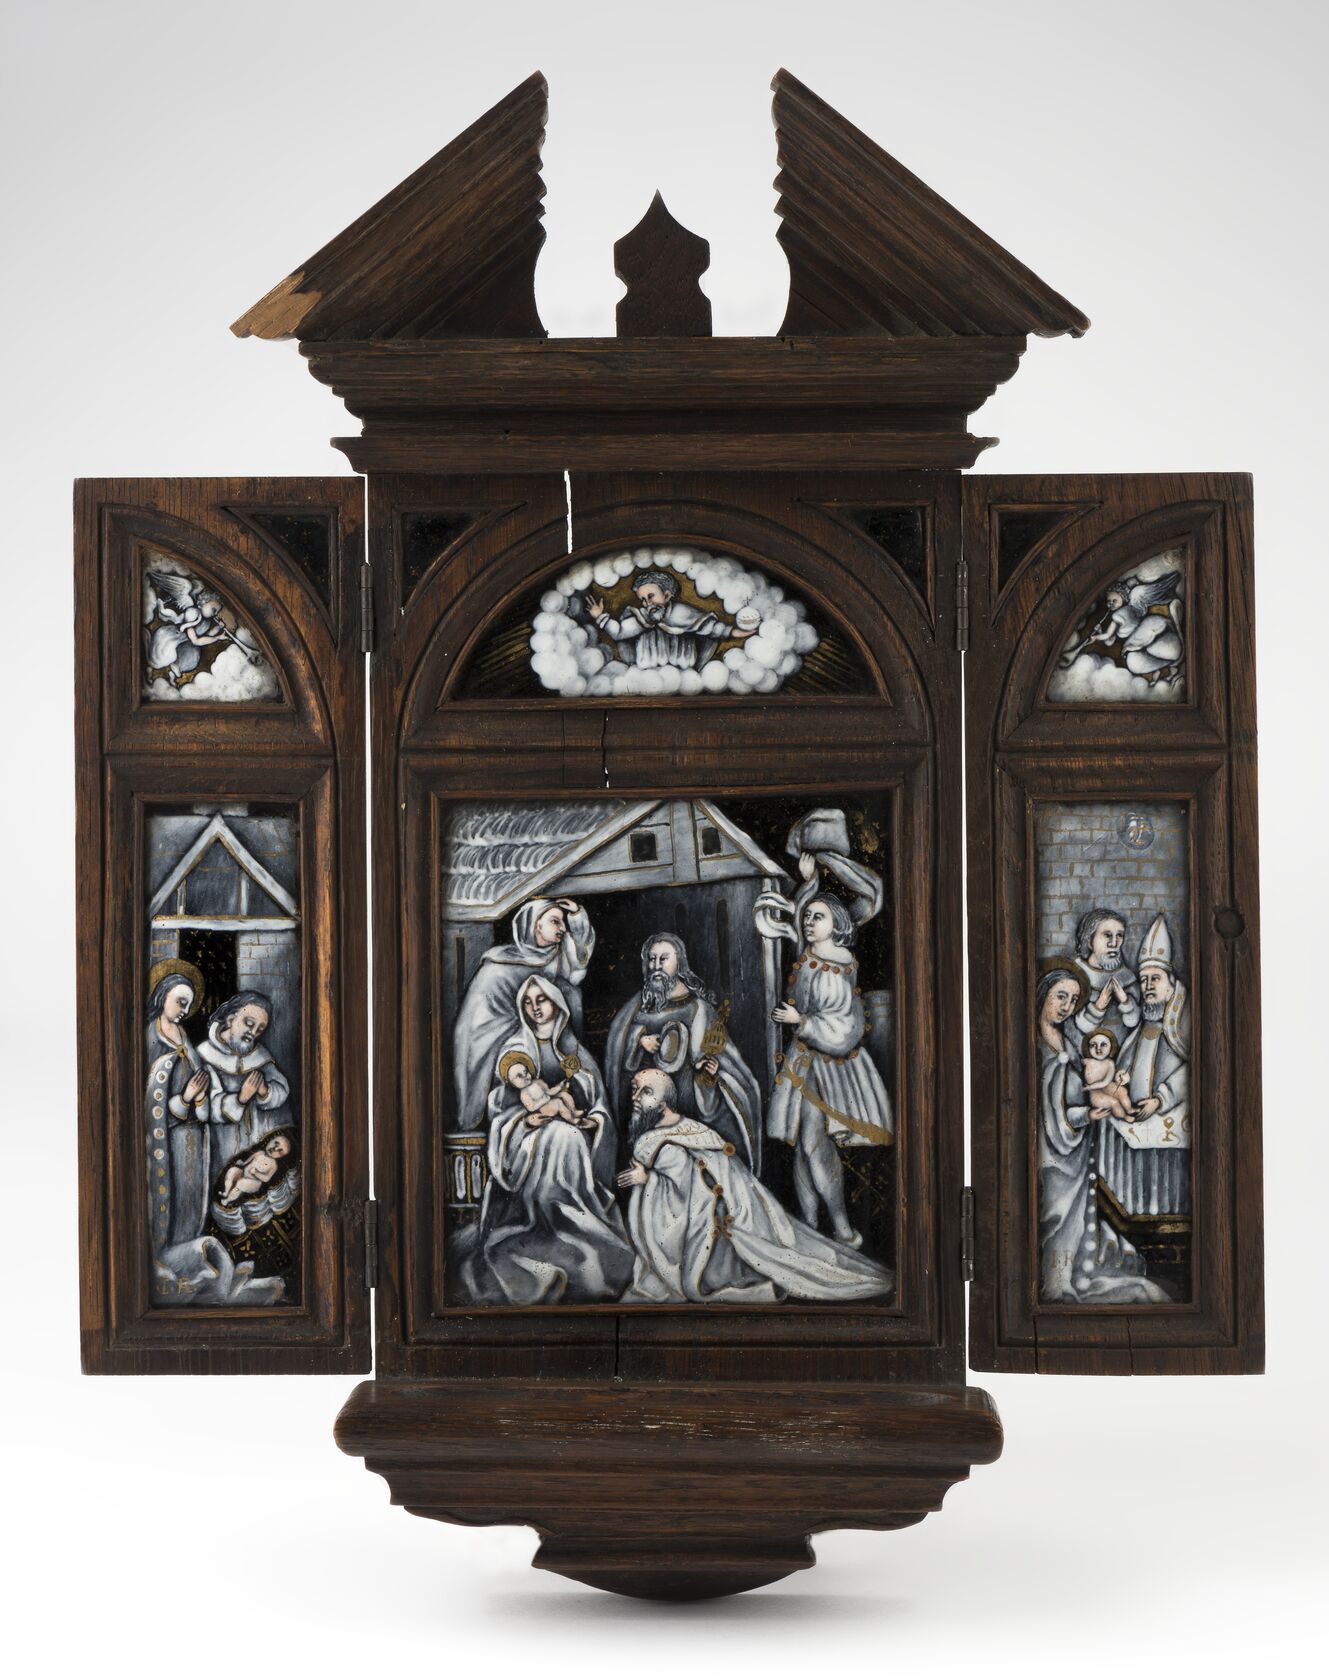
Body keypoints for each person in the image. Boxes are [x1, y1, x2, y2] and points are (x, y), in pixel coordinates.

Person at [616, 1069, 893, 1304]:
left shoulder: (665, 1144)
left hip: (715, 1237)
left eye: (646, 1092)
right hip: (722, 1224)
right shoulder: (684, 1130)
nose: (635, 1098)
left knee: (705, 1280)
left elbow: (688, 1191)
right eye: (635, 1089)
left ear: (664, 1103)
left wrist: (649, 1180)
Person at [461, 975, 633, 1306]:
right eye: (528, 1002)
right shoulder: (515, 1050)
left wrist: (593, 1119)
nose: (535, 1008)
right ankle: (539, 1221)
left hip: (572, 1134)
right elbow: (501, 1111)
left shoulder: (573, 1050)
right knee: (561, 1134)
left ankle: (571, 1219)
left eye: (541, 1000)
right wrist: (527, 1121)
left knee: (569, 1134)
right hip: (528, 1139)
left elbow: (598, 1103)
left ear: (557, 1004)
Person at [764, 893, 893, 1247]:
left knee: (811, 1143)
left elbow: (845, 1026)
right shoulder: (810, 955)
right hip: (805, 1063)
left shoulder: (839, 963)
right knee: (802, 1145)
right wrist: (807, 884)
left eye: (817, 917)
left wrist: (801, 1021)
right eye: (807, 916)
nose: (808, 922)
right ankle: (810, 1225)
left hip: (831, 1068)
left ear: (837, 923)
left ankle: (842, 1228)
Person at [1035, 966, 1166, 1304]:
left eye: (1073, 999)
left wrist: (1089, 1113)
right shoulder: (1037, 1044)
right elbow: (1049, 1107)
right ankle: (1049, 1286)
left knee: (1073, 1220)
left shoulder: (1064, 1039)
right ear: (1043, 996)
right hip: (1051, 1149)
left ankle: (1063, 1280)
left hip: (1074, 1149)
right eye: (1060, 997)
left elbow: (1075, 1095)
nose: (1066, 1006)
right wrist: (1082, 1116)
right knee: (1053, 1216)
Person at [605, 933, 762, 1170]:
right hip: (646, 1108)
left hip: (689, 1107)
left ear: (679, 962)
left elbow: (724, 1064)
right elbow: (618, 1047)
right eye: (652, 959)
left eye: (663, 959)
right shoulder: (638, 1005)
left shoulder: (699, 1008)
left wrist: (709, 1072)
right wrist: (638, 1040)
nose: (656, 966)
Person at [451, 897, 596, 1134]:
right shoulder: (499, 964)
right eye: (555, 921)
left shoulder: (556, 956)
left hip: (542, 1032)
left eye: (563, 922)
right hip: (495, 1035)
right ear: (536, 925)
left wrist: (577, 915)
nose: (563, 928)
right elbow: (478, 1019)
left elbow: (580, 958)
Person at [145, 963, 213, 1250]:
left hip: (192, 1133)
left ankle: (188, 1249)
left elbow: (197, 1076)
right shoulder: (151, 1036)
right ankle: (165, 1251)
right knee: (170, 1192)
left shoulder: (183, 1035)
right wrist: (184, 1098)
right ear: (163, 995)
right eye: (180, 1002)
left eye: (188, 1004)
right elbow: (148, 1096)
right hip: (166, 1135)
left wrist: (199, 1098)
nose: (184, 1010)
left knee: (191, 1191)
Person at [584, 570, 754, 672]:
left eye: (651, 596)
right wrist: (600, 615)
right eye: (643, 600)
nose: (648, 604)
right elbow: (619, 632)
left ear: (666, 595)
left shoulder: (682, 613)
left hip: (684, 675)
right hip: (646, 676)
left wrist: (736, 632)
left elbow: (712, 628)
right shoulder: (643, 616)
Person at [1115, 912, 1189, 1129]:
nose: (1147, 986)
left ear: (1170, 984)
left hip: (1168, 1119)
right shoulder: (1146, 1021)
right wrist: (1124, 1073)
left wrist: (1159, 1100)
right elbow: (1132, 1057)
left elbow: (1190, 1069)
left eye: (1155, 979)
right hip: (1136, 1119)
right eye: (1144, 980)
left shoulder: (1182, 1022)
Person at [198, 991, 292, 1163]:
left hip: (256, 1138)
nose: (253, 1033)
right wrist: (241, 1098)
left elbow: (281, 1090)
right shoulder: (205, 1054)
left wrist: (265, 1091)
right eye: (249, 1023)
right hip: (222, 1141)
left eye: (260, 1029)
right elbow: (206, 1107)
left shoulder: (260, 1056)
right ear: (230, 1019)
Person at [1068, 907, 1140, 1043]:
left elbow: (1133, 1022)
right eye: (1107, 935)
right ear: (1090, 941)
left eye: (1119, 935)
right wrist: (1098, 1006)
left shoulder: (1127, 977)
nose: (1114, 943)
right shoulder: (1074, 974)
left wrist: (1126, 1002)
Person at [498, 1049, 587, 1126]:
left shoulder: (538, 1082)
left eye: (525, 1072)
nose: (525, 1076)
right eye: (519, 1076)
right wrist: (543, 1100)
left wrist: (560, 1086)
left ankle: (574, 1111)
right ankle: (572, 1120)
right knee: (558, 1102)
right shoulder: (524, 1093)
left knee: (564, 1094)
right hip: (543, 1109)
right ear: (512, 1082)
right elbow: (531, 1108)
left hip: (549, 1100)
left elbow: (549, 1092)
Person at [219, 1131, 295, 1205]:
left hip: (254, 1183)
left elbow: (266, 1179)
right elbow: (249, 1160)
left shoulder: (273, 1165)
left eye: (279, 1151)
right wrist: (242, 1164)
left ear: (280, 1156)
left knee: (240, 1183)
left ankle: (227, 1200)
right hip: (243, 1173)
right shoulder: (260, 1153)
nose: (275, 1149)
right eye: (276, 1143)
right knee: (232, 1171)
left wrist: (256, 1173)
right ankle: (226, 1192)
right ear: (271, 1140)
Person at [1081, 1030, 1135, 1122]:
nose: (1098, 1049)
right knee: (1113, 1102)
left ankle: (1130, 1109)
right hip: (1095, 1093)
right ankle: (1124, 1116)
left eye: (1103, 1045)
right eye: (1093, 1045)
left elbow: (1106, 1081)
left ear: (1111, 1046)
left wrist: (1090, 1086)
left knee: (1122, 1091)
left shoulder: (1109, 1063)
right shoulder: (1086, 1062)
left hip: (1106, 1086)